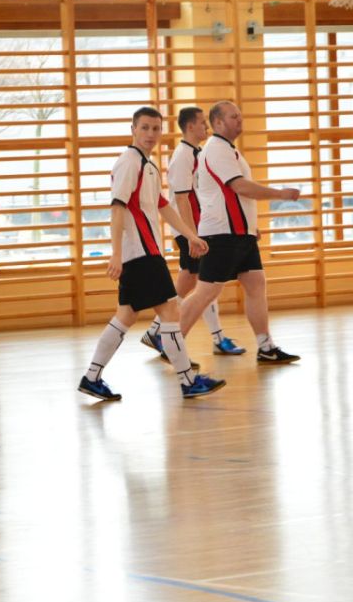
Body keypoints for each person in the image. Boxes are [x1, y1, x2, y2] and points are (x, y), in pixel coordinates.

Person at [78, 107, 227, 401]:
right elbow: (117, 209)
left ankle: (91, 377)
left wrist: (191, 234)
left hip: (145, 252)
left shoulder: (149, 165)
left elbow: (162, 206)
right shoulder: (129, 162)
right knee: (170, 312)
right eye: (144, 127)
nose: (150, 134)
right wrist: (116, 254)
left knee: (126, 315)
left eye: (156, 128)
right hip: (141, 253)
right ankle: (188, 381)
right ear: (133, 129)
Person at [177, 100, 301, 364]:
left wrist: (249, 227)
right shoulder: (216, 149)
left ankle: (265, 346)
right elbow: (240, 187)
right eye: (234, 116)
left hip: (239, 233)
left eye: (240, 116)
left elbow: (236, 196)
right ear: (218, 122)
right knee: (206, 293)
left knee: (256, 284)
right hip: (222, 234)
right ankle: (171, 343)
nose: (240, 120)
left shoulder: (229, 149)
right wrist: (280, 194)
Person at [140, 106, 246, 359]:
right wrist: (191, 235)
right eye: (202, 123)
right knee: (207, 283)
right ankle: (217, 338)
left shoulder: (198, 152)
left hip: (197, 228)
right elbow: (182, 198)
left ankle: (155, 331)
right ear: (189, 126)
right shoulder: (183, 156)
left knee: (191, 281)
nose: (206, 127)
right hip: (189, 228)